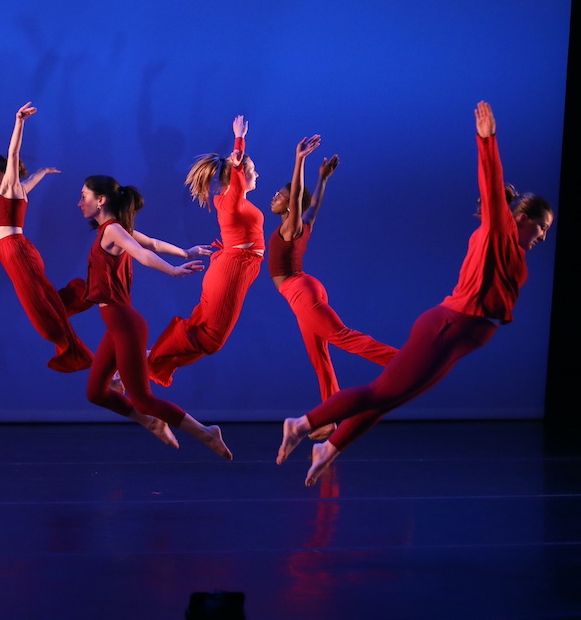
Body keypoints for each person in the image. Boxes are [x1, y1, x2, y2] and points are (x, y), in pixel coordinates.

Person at [276, 102, 553, 486]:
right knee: (378, 389)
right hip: (449, 326)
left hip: (464, 337)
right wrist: (487, 141)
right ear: (521, 219)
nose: (543, 236)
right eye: (542, 227)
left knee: (391, 398)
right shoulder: (499, 232)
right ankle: (303, 423)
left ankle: (330, 447)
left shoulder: (514, 251)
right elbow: (490, 185)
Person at [79, 175, 232, 459]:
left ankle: (206, 432)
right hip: (116, 326)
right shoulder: (114, 231)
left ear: (101, 200)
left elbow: (141, 253)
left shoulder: (113, 230)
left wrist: (174, 270)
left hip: (125, 324)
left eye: (84, 195)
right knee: (95, 393)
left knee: (143, 399)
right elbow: (152, 243)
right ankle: (151, 422)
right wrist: (185, 252)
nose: (80, 202)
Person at [269, 136, 398, 440]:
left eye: (280, 195)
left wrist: (300, 160)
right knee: (320, 358)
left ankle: (404, 360)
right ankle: (329, 417)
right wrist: (322, 178)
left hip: (300, 290)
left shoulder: (291, 226)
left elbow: (302, 196)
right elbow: (313, 204)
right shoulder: (303, 222)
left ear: (291, 203)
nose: (274, 197)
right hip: (302, 291)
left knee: (341, 337)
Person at [0, 102, 93, 373]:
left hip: (17, 251)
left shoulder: (9, 186)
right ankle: (90, 297)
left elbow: (12, 153)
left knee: (44, 314)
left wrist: (19, 121)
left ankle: (90, 358)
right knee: (46, 304)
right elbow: (32, 181)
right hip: (13, 253)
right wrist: (43, 172)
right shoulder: (17, 190)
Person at [147, 115, 263, 386]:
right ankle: (149, 358)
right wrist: (239, 139)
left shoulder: (234, 202)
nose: (257, 174)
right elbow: (236, 172)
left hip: (234, 268)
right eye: (252, 170)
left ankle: (148, 360)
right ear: (239, 172)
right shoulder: (229, 202)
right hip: (232, 269)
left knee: (205, 334)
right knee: (210, 338)